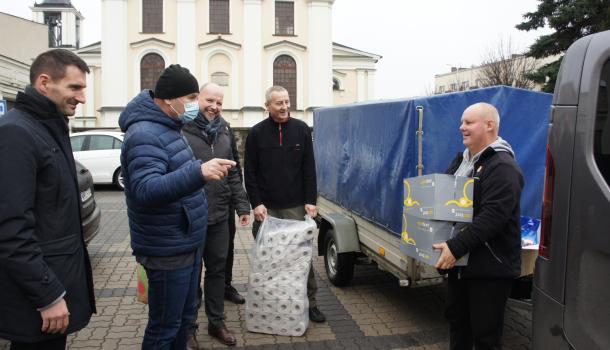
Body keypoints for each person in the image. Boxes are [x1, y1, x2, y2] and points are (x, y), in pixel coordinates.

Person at [119, 65, 235, 349]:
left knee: (180, 323)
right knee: (164, 328)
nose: (196, 105)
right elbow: (147, 189)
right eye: (192, 97)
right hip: (167, 248)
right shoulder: (144, 133)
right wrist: (199, 172)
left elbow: (174, 171)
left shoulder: (169, 126)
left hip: (184, 242)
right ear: (169, 99)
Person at [0, 49, 96, 350]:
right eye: (75, 87)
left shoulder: (48, 127)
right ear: (44, 83)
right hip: (38, 299)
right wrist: (48, 295)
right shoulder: (17, 133)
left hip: (55, 285)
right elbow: (11, 229)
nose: (82, 98)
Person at [433, 102, 524, 350]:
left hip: (489, 269)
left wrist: (455, 246)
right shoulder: (463, 162)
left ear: (490, 125)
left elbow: (493, 217)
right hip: (461, 265)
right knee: (458, 325)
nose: (461, 127)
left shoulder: (503, 166)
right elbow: (444, 198)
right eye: (462, 122)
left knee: (485, 337)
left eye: (469, 122)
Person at [244, 85, 326, 323]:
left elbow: (309, 169)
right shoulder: (256, 133)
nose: (284, 107)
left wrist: (310, 201)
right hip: (267, 210)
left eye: (287, 102)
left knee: (302, 257)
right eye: (279, 103)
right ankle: (273, 303)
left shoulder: (301, 130)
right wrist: (256, 203)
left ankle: (311, 303)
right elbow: (250, 172)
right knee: (269, 258)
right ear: (267, 105)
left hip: (296, 207)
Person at [182, 82, 251, 347]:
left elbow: (233, 170)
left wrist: (242, 206)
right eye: (210, 100)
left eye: (219, 102)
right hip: (191, 215)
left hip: (220, 214)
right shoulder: (182, 129)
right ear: (198, 98)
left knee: (217, 271)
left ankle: (216, 323)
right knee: (190, 273)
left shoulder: (224, 128)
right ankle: (188, 328)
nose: (214, 107)